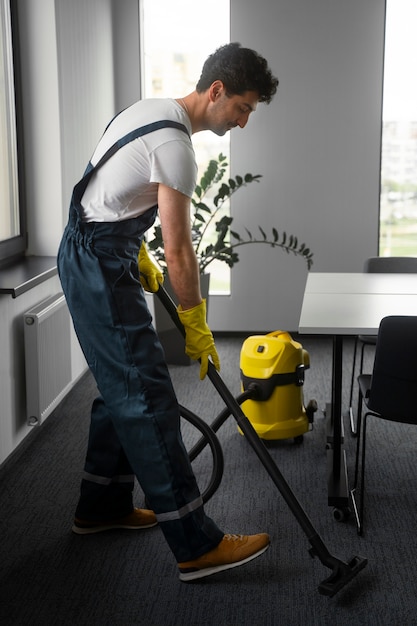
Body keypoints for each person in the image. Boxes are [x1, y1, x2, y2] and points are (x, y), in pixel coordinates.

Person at [57, 42, 278, 582]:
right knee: (147, 395)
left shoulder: (149, 109)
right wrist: (198, 327)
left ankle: (101, 507)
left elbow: (107, 192)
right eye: (244, 108)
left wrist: (131, 252)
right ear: (217, 91)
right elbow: (180, 249)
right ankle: (195, 543)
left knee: (121, 387)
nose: (244, 122)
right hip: (96, 266)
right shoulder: (176, 146)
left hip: (97, 254)